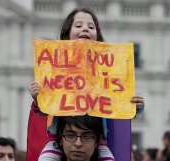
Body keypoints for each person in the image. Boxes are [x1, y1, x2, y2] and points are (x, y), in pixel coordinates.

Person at [29, 7, 144, 161]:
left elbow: (117, 108)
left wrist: (136, 106)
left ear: (97, 35)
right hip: (58, 138)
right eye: (78, 26)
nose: (85, 29)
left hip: (97, 140)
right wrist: (37, 98)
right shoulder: (55, 65)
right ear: (66, 32)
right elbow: (44, 110)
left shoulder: (108, 69)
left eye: (91, 27)